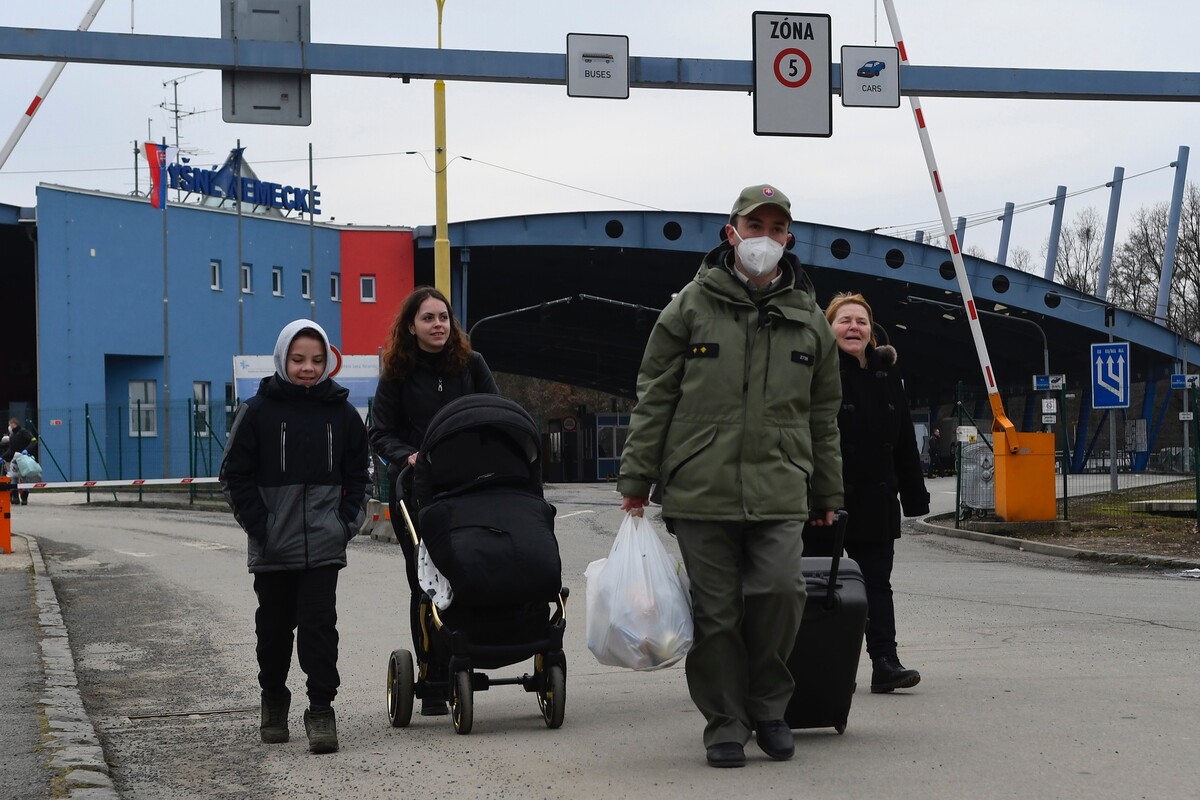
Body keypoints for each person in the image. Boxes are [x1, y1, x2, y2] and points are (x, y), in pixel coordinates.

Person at [617, 184, 843, 768]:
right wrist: (636, 479)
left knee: (780, 592)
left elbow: (822, 416)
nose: (764, 237)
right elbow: (654, 397)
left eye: (776, 227)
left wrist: (827, 493)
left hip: (780, 484)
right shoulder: (689, 306)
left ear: (789, 237)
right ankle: (725, 720)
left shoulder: (809, 320)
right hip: (700, 487)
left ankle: (769, 706)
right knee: (717, 613)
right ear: (731, 232)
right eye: (754, 224)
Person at [220, 319, 370, 754]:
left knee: (320, 630)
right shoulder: (257, 411)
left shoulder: (342, 414)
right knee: (273, 631)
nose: (308, 367)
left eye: (317, 360)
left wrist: (345, 524)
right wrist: (261, 528)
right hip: (273, 548)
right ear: (283, 358)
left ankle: (321, 711)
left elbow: (361, 475)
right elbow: (233, 476)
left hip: (324, 546)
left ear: (328, 362)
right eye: (299, 359)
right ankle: (273, 700)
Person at [368, 285, 498, 716]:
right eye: (428, 318)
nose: (438, 325)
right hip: (417, 487)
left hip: (469, 484)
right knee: (426, 579)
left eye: (443, 317)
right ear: (411, 326)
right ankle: (433, 672)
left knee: (472, 568)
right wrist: (407, 453)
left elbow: (494, 412)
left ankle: (474, 646)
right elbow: (379, 431)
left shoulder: (471, 364)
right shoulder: (397, 373)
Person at [808, 292, 929, 694]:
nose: (854, 327)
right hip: (823, 501)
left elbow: (904, 444)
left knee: (878, 584)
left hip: (876, 500)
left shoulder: (888, 376)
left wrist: (915, 498)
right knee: (819, 586)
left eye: (861, 320)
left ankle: (885, 662)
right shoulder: (812, 372)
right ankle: (816, 663)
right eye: (844, 320)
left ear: (871, 332)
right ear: (829, 329)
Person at [4, 418, 34, 505]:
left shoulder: (23, 432)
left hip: (24, 458)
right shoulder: (12, 435)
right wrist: (3, 457)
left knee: (25, 477)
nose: (10, 427)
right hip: (15, 459)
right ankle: (15, 497)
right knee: (14, 477)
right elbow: (11, 449)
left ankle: (24, 498)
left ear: (14, 424)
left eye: (11, 425)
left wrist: (27, 450)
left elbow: (33, 441)